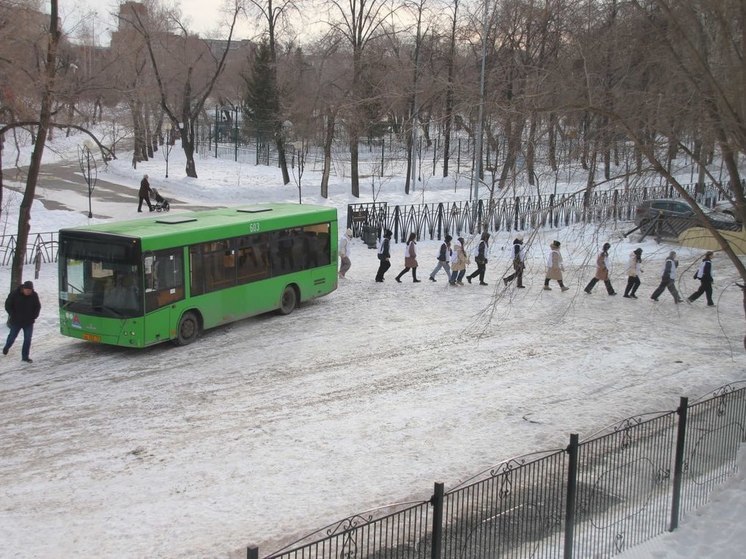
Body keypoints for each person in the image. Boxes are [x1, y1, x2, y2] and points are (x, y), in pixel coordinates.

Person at [3, 280, 41, 363]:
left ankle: (25, 357)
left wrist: (34, 315)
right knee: (12, 337)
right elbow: (8, 305)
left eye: (30, 290)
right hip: (16, 321)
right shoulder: (14, 294)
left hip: (28, 322)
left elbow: (37, 306)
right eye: (27, 290)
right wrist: (12, 314)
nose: (28, 292)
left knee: (27, 339)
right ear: (23, 288)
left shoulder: (34, 295)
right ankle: (7, 346)